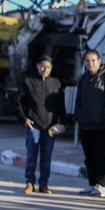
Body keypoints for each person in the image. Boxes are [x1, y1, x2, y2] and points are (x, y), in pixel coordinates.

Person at [74, 49, 105, 197]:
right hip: (86, 126)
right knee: (89, 157)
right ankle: (92, 184)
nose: (90, 63)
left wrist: (102, 116)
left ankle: (102, 186)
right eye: (87, 60)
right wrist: (79, 116)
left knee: (99, 155)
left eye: (93, 60)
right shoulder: (83, 79)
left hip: (102, 126)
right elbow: (79, 100)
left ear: (99, 61)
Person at [18, 55, 65, 195]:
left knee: (47, 156)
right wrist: (24, 118)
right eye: (42, 66)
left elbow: (60, 105)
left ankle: (44, 183)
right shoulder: (29, 82)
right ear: (38, 66)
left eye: (48, 67)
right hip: (34, 127)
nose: (45, 69)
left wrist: (63, 123)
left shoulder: (56, 84)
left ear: (51, 69)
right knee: (32, 156)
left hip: (50, 128)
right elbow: (19, 102)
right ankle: (29, 183)